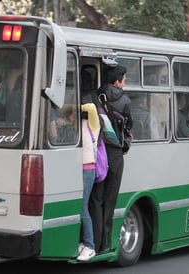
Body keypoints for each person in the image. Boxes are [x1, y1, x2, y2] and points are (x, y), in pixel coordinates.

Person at [89, 64, 132, 253]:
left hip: (98, 151)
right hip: (115, 154)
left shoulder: (95, 96)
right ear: (117, 81)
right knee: (110, 199)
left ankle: (94, 241)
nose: (125, 83)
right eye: (124, 79)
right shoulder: (124, 101)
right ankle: (105, 243)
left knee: (96, 198)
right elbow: (129, 126)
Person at [77, 92, 101, 261]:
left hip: (88, 169)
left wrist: (73, 105)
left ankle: (90, 246)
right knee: (80, 206)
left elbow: (91, 107)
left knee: (83, 207)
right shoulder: (79, 123)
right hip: (79, 168)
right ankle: (84, 243)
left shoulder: (93, 122)